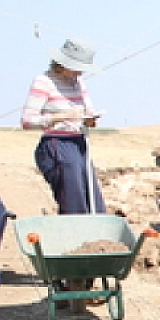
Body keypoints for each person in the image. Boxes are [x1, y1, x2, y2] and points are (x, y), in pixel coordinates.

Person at [21, 39, 105, 214]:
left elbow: (87, 111)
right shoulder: (43, 81)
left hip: (79, 144)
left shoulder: (79, 83)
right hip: (56, 144)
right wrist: (62, 116)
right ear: (63, 63)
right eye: (77, 67)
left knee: (93, 200)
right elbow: (27, 121)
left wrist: (89, 120)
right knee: (73, 202)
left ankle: (97, 238)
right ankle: (76, 238)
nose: (80, 72)